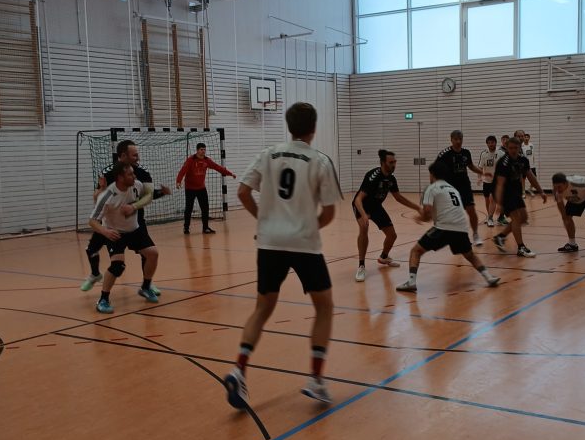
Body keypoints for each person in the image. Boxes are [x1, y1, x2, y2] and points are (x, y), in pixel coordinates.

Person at [224, 102, 342, 409]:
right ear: (314, 128)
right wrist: (306, 227)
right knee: (325, 308)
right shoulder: (320, 161)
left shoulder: (268, 153)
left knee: (262, 308)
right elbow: (328, 213)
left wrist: (264, 223)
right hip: (304, 244)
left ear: (289, 126)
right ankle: (316, 380)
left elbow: (242, 193)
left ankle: (239, 368)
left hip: (269, 243)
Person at [81, 139, 170, 294]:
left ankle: (147, 284)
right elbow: (97, 197)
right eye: (134, 155)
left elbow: (148, 195)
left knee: (148, 252)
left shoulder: (141, 173)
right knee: (91, 249)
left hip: (135, 220)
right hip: (111, 222)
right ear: (123, 156)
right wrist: (100, 190)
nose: (138, 158)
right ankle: (95, 275)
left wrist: (135, 205)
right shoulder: (109, 173)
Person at [396, 161, 500, 293]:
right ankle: (488, 277)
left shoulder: (432, 188)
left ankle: (411, 281)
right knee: (470, 255)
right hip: (461, 228)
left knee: (416, 251)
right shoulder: (453, 189)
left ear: (432, 174)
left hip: (444, 228)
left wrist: (420, 217)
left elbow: (427, 214)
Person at [88, 161, 160, 313]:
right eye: (130, 174)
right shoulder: (107, 195)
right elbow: (92, 221)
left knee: (153, 254)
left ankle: (146, 287)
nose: (134, 176)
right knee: (118, 266)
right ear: (120, 177)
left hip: (134, 230)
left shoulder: (137, 185)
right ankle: (103, 299)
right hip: (115, 233)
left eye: (134, 173)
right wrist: (105, 232)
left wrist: (162, 192)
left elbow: (148, 195)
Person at [352, 149, 423, 281]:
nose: (393, 165)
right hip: (362, 206)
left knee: (392, 235)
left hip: (375, 207)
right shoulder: (373, 176)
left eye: (395, 162)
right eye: (391, 162)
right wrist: (364, 215)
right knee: (364, 228)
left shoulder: (391, 179)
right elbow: (358, 199)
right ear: (382, 162)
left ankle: (384, 257)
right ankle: (361, 266)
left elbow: (398, 198)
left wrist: (417, 207)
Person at [492, 136, 547, 257]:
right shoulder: (503, 163)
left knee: (523, 218)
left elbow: (531, 176)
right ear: (507, 147)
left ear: (519, 148)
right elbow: (500, 185)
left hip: (515, 191)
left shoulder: (523, 160)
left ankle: (500, 237)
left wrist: (541, 191)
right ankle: (521, 248)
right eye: (510, 148)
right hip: (504, 193)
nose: (513, 150)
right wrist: (499, 204)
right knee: (516, 218)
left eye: (515, 148)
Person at [176, 143, 236, 234]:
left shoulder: (207, 160)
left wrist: (230, 173)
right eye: (201, 149)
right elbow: (182, 171)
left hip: (201, 188)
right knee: (189, 208)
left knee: (205, 208)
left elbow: (218, 167)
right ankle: (186, 228)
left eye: (204, 149)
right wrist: (178, 181)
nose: (203, 151)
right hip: (190, 189)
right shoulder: (190, 160)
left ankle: (205, 228)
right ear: (197, 150)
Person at [435, 130, 482, 244]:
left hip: (464, 185)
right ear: (451, 140)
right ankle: (457, 236)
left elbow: (470, 166)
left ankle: (475, 234)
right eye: (456, 139)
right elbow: (435, 170)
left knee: (471, 210)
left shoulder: (466, 152)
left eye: (460, 139)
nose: (458, 141)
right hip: (450, 188)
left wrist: (482, 172)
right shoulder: (444, 154)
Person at [476, 135, 499, 228]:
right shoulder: (484, 154)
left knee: (492, 199)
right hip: (486, 181)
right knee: (487, 200)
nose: (491, 144)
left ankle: (490, 218)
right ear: (487, 144)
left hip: (496, 181)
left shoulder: (500, 153)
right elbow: (480, 167)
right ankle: (489, 215)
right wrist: (479, 177)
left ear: (495, 143)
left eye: (492, 142)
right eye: (489, 142)